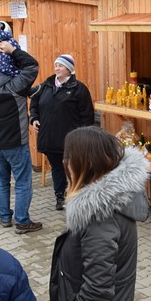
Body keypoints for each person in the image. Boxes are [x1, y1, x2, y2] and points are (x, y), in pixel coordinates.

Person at [46, 126, 150, 301]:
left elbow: (98, 286)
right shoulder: (104, 205)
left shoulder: (99, 217)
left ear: (84, 163)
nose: (64, 161)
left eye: (68, 156)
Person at [0, 21, 41, 234]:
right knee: (22, 182)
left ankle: (5, 218)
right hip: (16, 143)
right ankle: (22, 221)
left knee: (2, 181)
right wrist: (14, 50)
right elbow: (32, 65)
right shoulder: (16, 85)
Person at [29, 54, 94, 210]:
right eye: (56, 65)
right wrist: (34, 118)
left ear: (69, 69)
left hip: (70, 140)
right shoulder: (45, 86)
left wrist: (82, 137)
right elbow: (34, 103)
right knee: (57, 168)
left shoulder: (79, 89)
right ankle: (60, 196)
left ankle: (78, 196)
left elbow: (87, 116)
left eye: (61, 66)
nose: (57, 68)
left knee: (74, 169)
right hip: (50, 137)